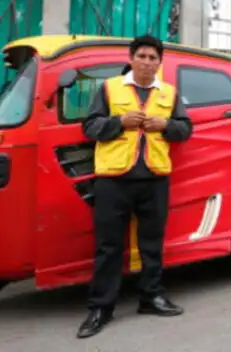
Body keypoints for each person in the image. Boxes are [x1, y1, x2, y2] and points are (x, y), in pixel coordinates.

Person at [77, 35, 193, 339]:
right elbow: (89, 127)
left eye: (153, 57)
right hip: (113, 179)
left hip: (154, 178)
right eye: (141, 55)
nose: (147, 61)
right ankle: (101, 307)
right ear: (131, 59)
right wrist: (120, 121)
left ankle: (151, 298)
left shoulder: (169, 93)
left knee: (152, 244)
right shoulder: (109, 88)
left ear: (159, 63)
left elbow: (185, 129)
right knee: (108, 246)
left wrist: (166, 126)